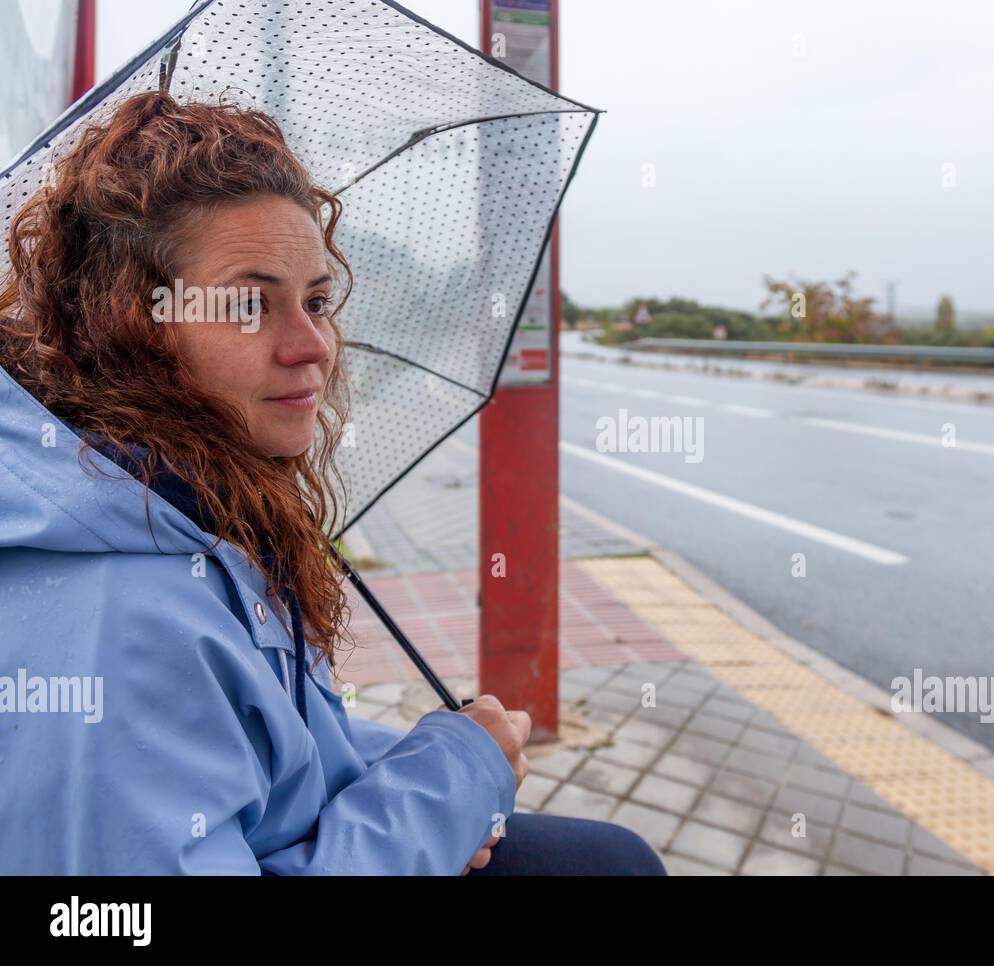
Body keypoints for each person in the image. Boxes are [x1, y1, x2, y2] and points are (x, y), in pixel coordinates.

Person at [0, 90, 665, 876]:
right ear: (130, 322)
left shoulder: (188, 505)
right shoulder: (121, 615)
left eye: (317, 300)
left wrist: (448, 762)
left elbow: (280, 751)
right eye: (251, 304)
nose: (313, 345)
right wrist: (451, 786)